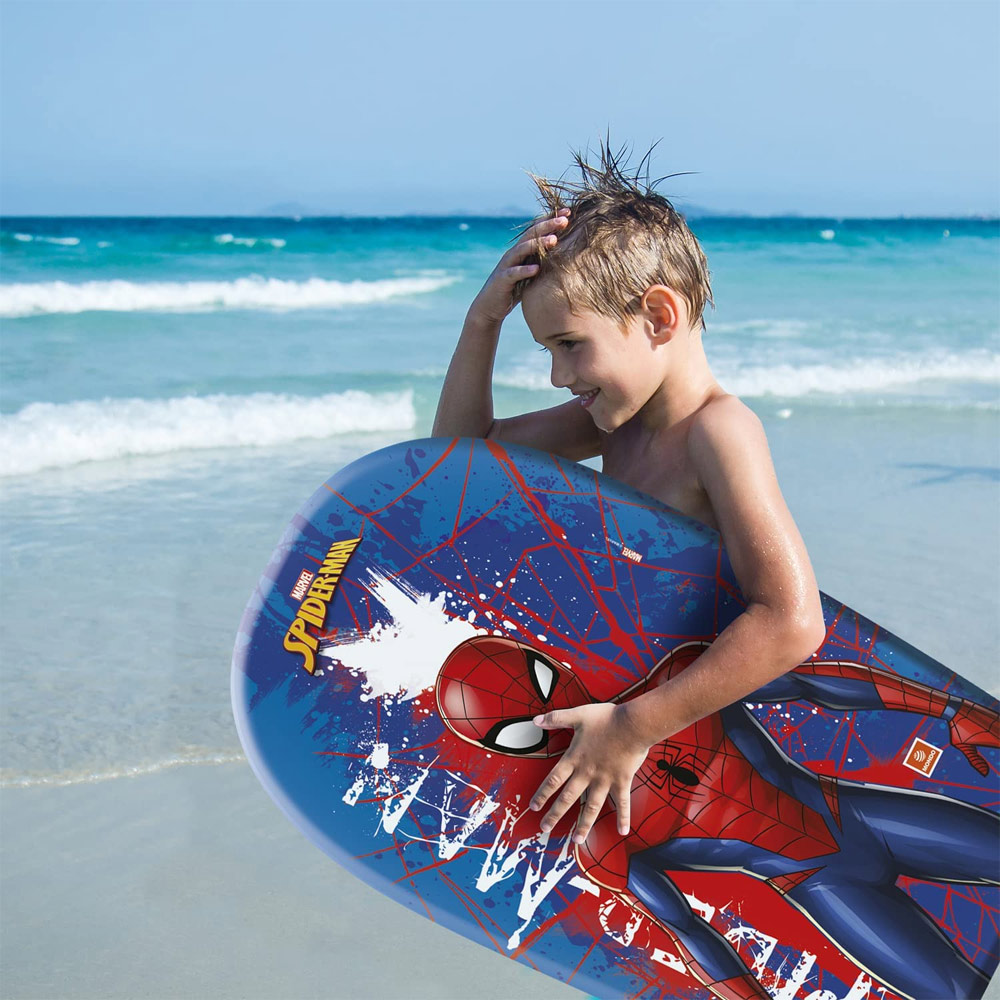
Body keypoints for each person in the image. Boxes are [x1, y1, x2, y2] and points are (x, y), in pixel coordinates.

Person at [431, 140, 826, 854]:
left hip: (679, 732)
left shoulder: (718, 431)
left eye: (569, 344)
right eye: (547, 351)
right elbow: (464, 459)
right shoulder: (614, 421)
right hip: (635, 725)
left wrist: (633, 726)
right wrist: (479, 323)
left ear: (659, 317)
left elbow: (792, 622)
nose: (558, 377)